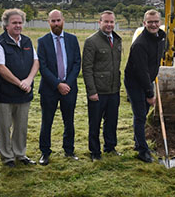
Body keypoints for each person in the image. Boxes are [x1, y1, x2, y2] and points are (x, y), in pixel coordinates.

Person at [0, 9, 39, 167]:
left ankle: (20, 154)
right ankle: (7, 157)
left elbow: (36, 62)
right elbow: (0, 68)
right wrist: (20, 83)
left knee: (21, 127)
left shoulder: (27, 41)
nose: (18, 25)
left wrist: (29, 80)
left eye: (20, 22)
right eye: (14, 23)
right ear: (6, 25)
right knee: (4, 127)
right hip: (5, 95)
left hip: (24, 94)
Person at [37, 10, 81, 165]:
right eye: (53, 21)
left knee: (69, 121)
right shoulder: (42, 41)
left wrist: (67, 84)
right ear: (48, 22)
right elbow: (42, 66)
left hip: (69, 88)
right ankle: (45, 152)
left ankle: (69, 150)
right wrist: (57, 84)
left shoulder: (72, 39)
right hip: (49, 89)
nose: (56, 24)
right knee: (46, 121)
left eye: (58, 20)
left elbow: (77, 63)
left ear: (63, 20)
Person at [124, 9, 165, 163]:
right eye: (150, 22)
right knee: (140, 115)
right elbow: (141, 71)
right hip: (135, 82)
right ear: (144, 23)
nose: (153, 25)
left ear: (160, 22)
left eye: (156, 22)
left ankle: (138, 142)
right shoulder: (140, 44)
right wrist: (149, 94)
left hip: (148, 79)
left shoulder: (161, 37)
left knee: (144, 113)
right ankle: (142, 151)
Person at [83, 10, 123, 161]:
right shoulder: (91, 41)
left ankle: (110, 147)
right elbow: (87, 68)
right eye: (106, 21)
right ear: (99, 22)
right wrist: (92, 91)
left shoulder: (117, 40)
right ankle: (95, 152)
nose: (109, 24)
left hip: (113, 89)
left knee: (112, 121)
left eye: (111, 22)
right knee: (95, 123)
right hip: (98, 91)